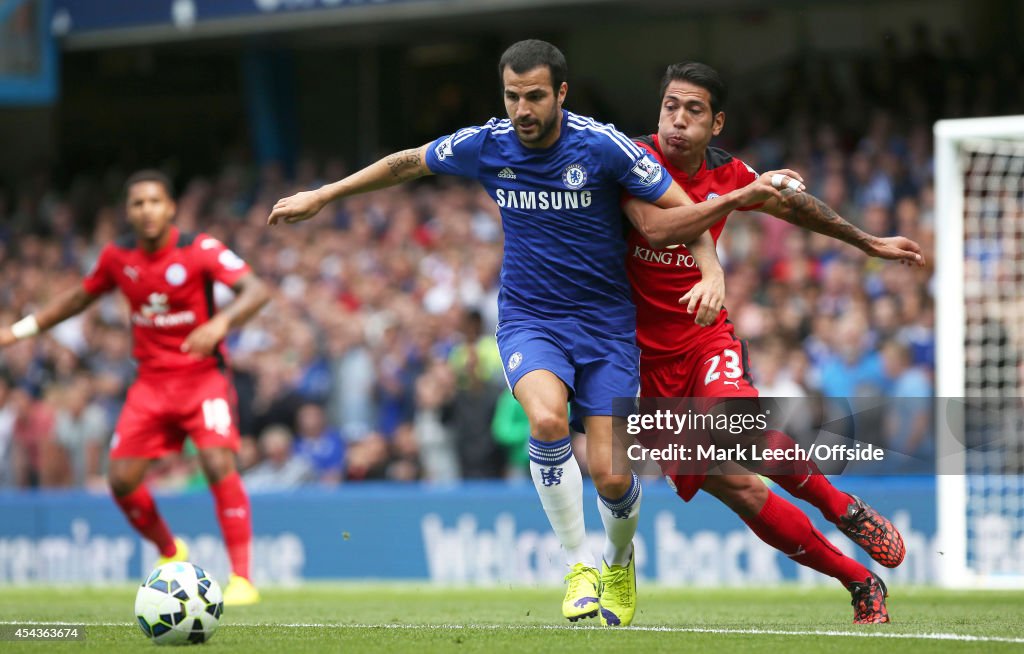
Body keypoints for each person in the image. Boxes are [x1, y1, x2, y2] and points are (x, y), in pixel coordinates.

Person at [268, 39, 802, 625]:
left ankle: (617, 560)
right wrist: (323, 195)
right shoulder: (487, 144)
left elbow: (686, 214)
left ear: (561, 94)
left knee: (612, 476)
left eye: (535, 96)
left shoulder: (603, 147)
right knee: (546, 420)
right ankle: (577, 566)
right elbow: (409, 162)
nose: (523, 109)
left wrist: (713, 273)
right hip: (531, 318)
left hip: (605, 326)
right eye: (513, 96)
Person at [622, 62, 924, 624]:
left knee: (738, 426)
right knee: (739, 489)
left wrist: (868, 241)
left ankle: (845, 508)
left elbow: (794, 205)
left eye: (693, 110)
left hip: (703, 339)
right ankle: (860, 581)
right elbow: (661, 228)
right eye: (670, 106)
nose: (677, 120)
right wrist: (741, 198)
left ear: (717, 123)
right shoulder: (631, 164)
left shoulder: (729, 171)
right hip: (640, 367)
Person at [0, 170, 270, 606]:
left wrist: (220, 323)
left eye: (154, 202)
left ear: (171, 208)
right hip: (150, 385)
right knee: (121, 479)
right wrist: (21, 329)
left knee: (218, 462)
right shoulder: (117, 257)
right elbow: (78, 298)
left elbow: (257, 290)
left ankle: (242, 578)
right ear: (128, 211)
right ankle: (170, 550)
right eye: (138, 203)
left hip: (203, 379)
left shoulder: (198, 249)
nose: (147, 210)